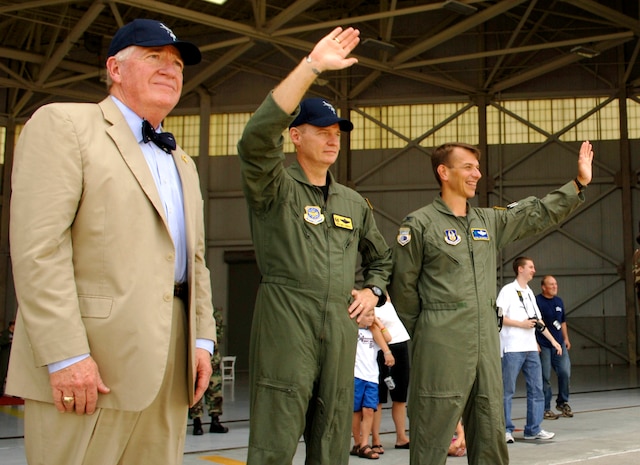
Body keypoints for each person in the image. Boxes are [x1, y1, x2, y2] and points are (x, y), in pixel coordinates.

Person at [6, 19, 217, 465]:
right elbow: (39, 249)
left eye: (177, 63)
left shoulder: (182, 162)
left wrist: (202, 342)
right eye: (153, 57)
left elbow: (194, 262)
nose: (169, 69)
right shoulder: (65, 124)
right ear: (115, 69)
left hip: (170, 363)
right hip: (91, 362)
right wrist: (65, 355)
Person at [237, 26, 393, 465]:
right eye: (320, 129)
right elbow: (253, 142)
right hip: (287, 321)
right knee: (275, 439)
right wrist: (310, 68)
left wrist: (372, 292)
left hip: (340, 328)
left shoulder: (352, 202)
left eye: (337, 131)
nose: (332, 137)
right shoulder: (274, 188)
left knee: (330, 444)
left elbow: (381, 258)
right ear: (295, 136)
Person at [390, 140, 593, 465]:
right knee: (431, 438)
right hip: (441, 344)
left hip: (486, 344)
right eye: (468, 167)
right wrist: (432, 329)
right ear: (444, 172)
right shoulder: (420, 224)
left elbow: (536, 213)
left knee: (489, 436)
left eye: (477, 167)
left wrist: (578, 183)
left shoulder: (488, 221)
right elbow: (402, 291)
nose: (477, 174)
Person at [498, 257, 562, 443]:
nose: (534, 270)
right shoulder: (508, 291)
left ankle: (533, 429)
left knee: (536, 389)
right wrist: (520, 324)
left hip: (530, 348)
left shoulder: (529, 293)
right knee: (507, 390)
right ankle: (505, 429)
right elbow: (498, 317)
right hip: (512, 348)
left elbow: (538, 321)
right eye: (531, 267)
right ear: (520, 269)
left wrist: (553, 341)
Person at [350, 309, 393, 460]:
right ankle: (357, 443)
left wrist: (377, 323)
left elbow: (388, 338)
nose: (370, 318)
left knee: (369, 410)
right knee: (356, 411)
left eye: (372, 315)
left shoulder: (373, 333)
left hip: (371, 377)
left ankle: (364, 444)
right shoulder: (353, 331)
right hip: (356, 375)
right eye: (367, 315)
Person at [371, 298, 411, 452]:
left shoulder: (390, 294)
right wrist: (386, 351)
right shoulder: (368, 298)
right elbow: (373, 326)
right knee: (379, 397)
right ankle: (375, 439)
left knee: (400, 395)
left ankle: (401, 437)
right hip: (381, 347)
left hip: (400, 343)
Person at [536, 275, 573, 420]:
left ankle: (562, 402)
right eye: (551, 284)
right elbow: (534, 323)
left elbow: (562, 321)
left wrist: (566, 338)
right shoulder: (537, 301)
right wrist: (535, 342)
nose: (554, 286)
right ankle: (545, 408)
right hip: (544, 344)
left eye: (555, 284)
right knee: (545, 377)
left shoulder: (559, 301)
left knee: (565, 372)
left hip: (559, 344)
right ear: (543, 287)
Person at [189, 307, 229, 435]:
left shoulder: (215, 314)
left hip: (213, 358)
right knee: (196, 390)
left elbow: (219, 336)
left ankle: (215, 421)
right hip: (196, 357)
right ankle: (197, 423)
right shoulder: (192, 313)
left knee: (215, 391)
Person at [0, 320, 15, 396]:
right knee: (2, 373)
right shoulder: (5, 333)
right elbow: (1, 342)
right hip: (5, 355)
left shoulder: (16, 334)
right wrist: (8, 341)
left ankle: (15, 393)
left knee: (14, 374)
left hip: (13, 356)